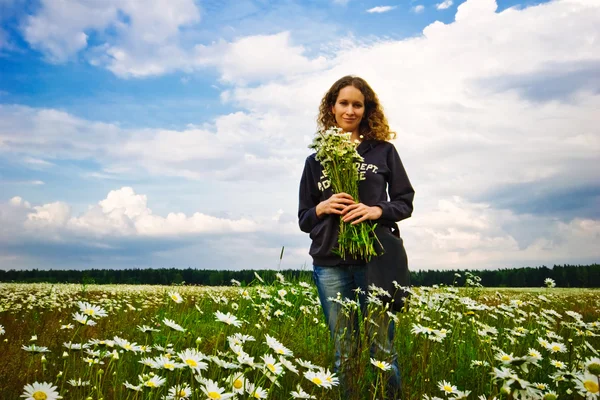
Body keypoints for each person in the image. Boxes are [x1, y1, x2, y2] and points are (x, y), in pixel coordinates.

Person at [298, 75, 415, 398]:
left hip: (375, 260)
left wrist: (377, 210)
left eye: (357, 105)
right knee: (344, 354)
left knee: (383, 352)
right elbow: (304, 219)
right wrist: (322, 207)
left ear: (366, 110)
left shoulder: (383, 152)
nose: (350, 110)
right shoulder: (316, 159)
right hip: (330, 264)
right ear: (332, 108)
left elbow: (404, 202)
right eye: (343, 103)